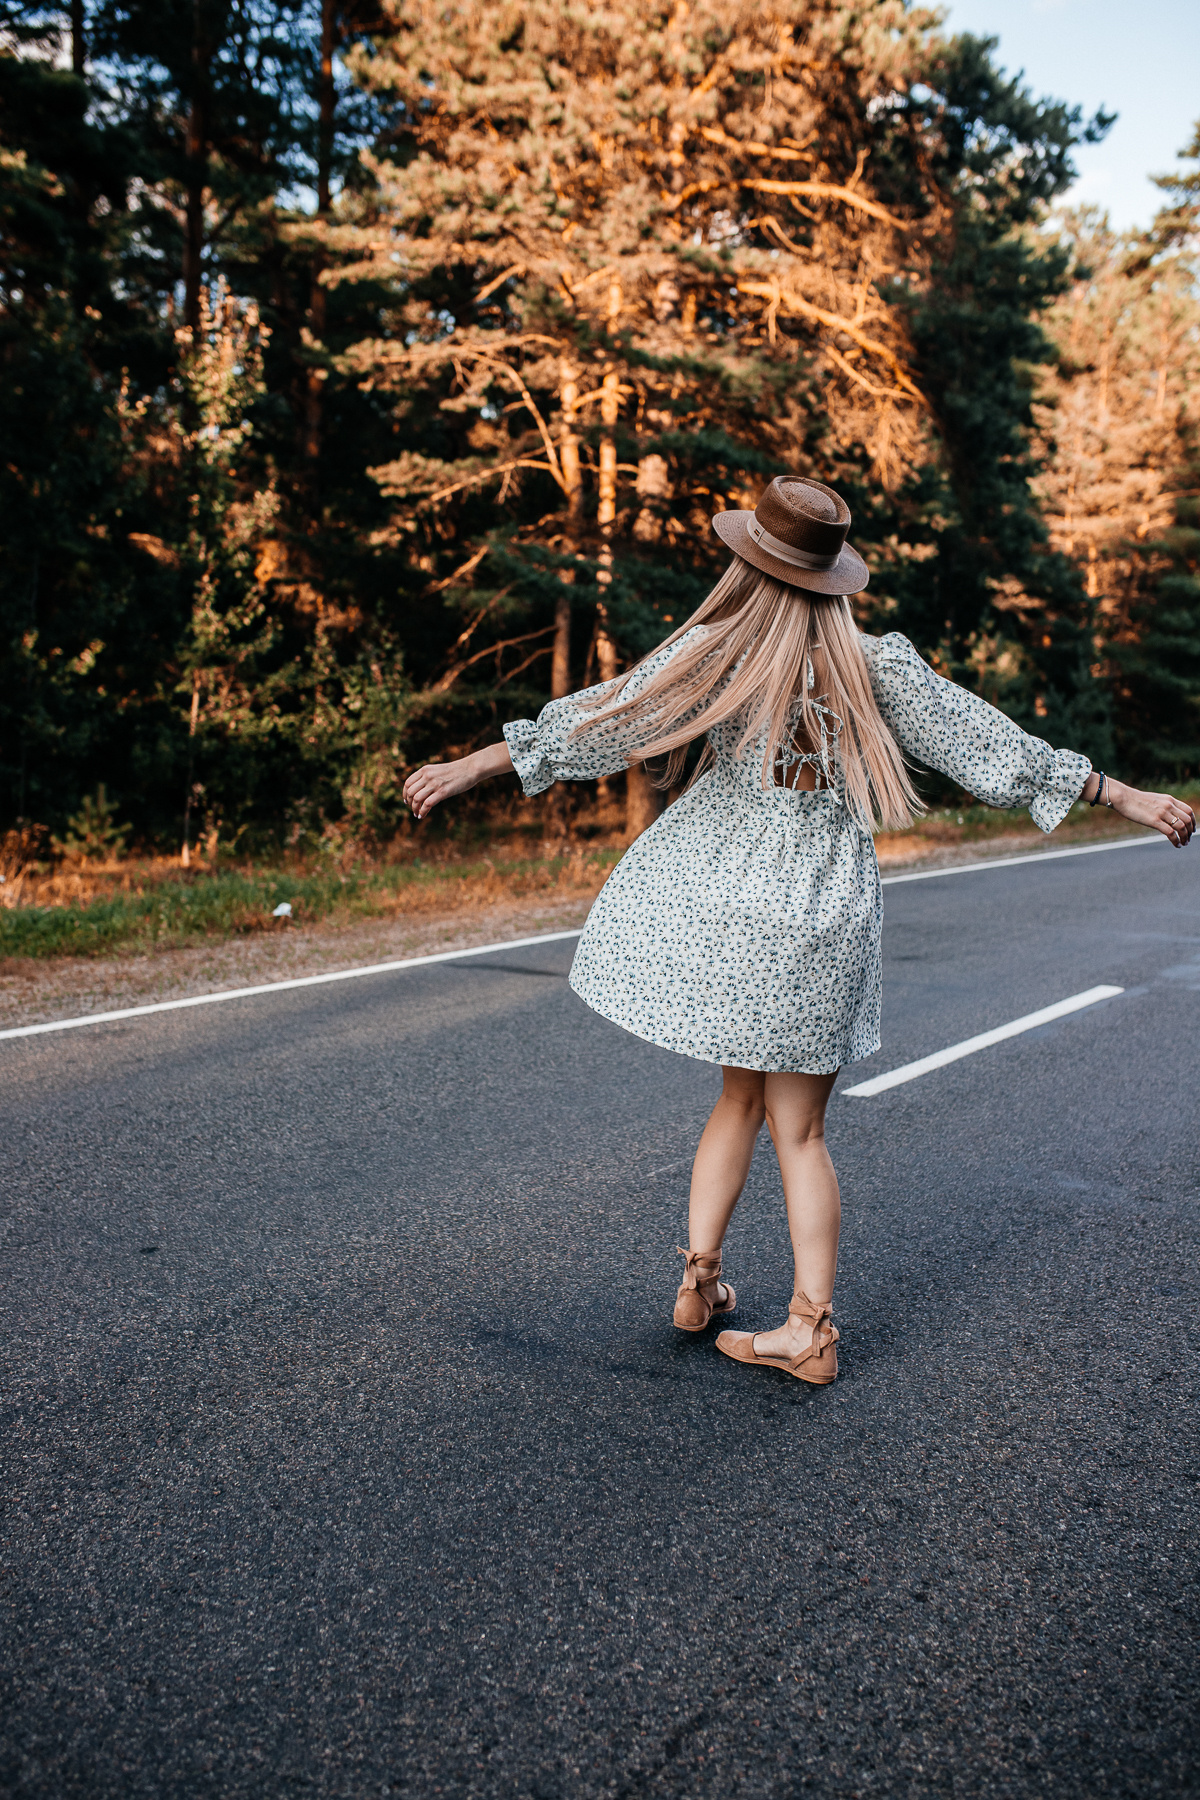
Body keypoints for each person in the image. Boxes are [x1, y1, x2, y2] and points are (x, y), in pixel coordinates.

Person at [402, 477, 1195, 1386]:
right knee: (802, 1134)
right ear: (833, 577)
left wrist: (473, 764)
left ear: (750, 563)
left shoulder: (714, 652)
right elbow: (994, 747)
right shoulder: (876, 664)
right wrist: (1123, 794)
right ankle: (807, 1329)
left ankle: (699, 1283)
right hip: (820, 915)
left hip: (728, 909)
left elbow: (602, 716)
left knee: (736, 1099)